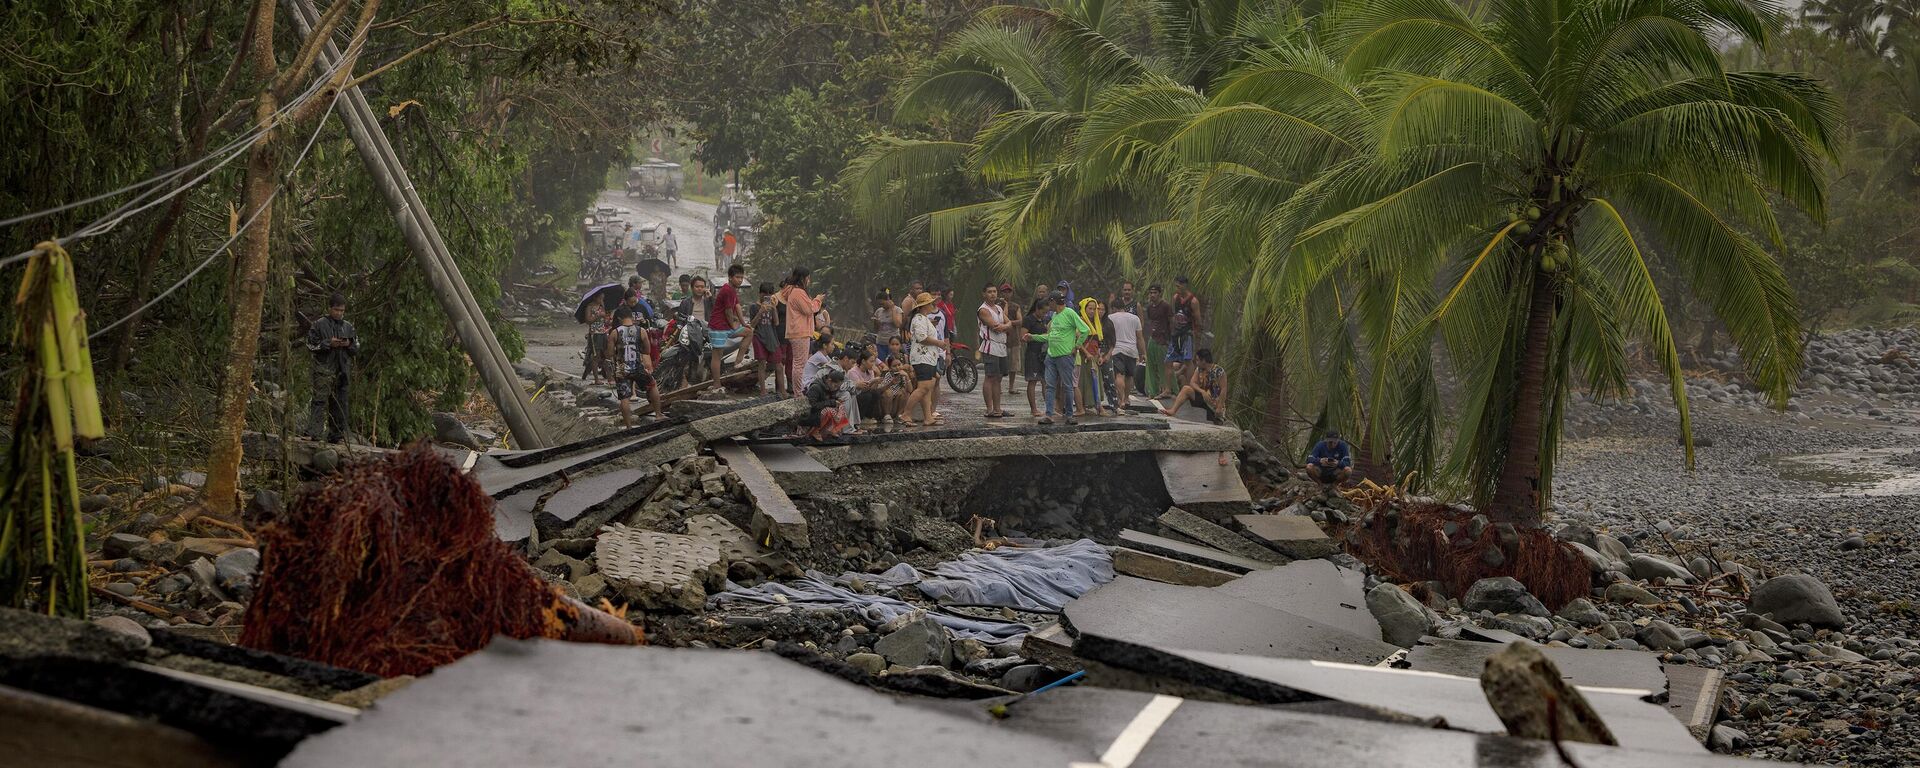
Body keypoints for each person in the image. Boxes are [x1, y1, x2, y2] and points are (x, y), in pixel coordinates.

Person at [305, 293, 359, 443]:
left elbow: (356, 349)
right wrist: (328, 343)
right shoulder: (319, 324)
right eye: (336, 310)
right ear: (330, 308)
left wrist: (348, 344)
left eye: (342, 310)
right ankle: (314, 433)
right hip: (324, 369)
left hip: (342, 371)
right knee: (319, 401)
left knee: (340, 404)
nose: (339, 313)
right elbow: (310, 345)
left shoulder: (348, 327)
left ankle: (336, 435)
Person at [1039, 291, 1089, 425]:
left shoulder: (1070, 313)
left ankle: (1069, 415)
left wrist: (1077, 346)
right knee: (1050, 385)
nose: (1049, 305)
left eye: (1050, 302)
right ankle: (1049, 415)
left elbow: (1085, 330)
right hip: (1051, 355)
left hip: (1065, 356)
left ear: (1053, 302)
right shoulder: (1054, 315)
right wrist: (1033, 337)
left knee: (1067, 386)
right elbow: (1050, 335)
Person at [608, 306, 664, 426]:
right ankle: (658, 414)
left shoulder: (615, 332)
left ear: (619, 318)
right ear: (631, 316)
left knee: (624, 398)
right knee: (652, 385)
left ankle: (629, 426)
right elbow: (647, 350)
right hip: (637, 367)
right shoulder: (641, 331)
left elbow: (610, 353)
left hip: (622, 369)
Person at [903, 291, 949, 426]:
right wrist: (939, 343)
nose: (932, 305)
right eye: (930, 303)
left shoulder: (924, 319)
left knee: (928, 387)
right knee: (923, 388)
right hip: (922, 357)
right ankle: (906, 413)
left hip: (929, 358)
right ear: (924, 306)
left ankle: (928, 417)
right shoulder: (918, 318)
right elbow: (922, 338)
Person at [779, 268, 823, 399]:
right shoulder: (798, 292)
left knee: (798, 363)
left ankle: (798, 391)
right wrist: (818, 300)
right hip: (799, 331)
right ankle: (798, 393)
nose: (809, 281)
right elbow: (809, 309)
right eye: (808, 278)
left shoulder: (793, 291)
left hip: (797, 331)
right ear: (803, 278)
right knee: (799, 364)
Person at [1161, 347, 1227, 424]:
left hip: (1214, 402)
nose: (1196, 362)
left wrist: (1219, 407)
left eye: (1198, 360)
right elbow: (1192, 383)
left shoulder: (1219, 371)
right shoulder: (1199, 369)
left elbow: (1224, 389)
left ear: (1203, 361)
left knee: (1217, 420)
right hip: (1204, 398)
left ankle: (1218, 417)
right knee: (1186, 389)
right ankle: (1173, 410)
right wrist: (1202, 391)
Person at [977, 284, 1013, 418]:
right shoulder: (983, 310)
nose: (993, 294)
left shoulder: (998, 308)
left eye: (994, 291)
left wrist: (1005, 325)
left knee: (998, 378)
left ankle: (998, 409)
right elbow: (995, 326)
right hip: (990, 345)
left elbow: (1009, 323)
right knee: (990, 376)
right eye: (989, 292)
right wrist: (1006, 325)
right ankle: (989, 409)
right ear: (984, 294)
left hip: (1001, 346)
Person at [710, 264, 747, 385]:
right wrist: (734, 325)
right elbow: (728, 311)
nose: (740, 280)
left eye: (742, 277)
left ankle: (737, 363)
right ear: (730, 277)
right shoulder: (727, 290)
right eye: (737, 277)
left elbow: (737, 306)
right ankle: (717, 384)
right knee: (717, 355)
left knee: (749, 332)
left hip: (726, 326)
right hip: (718, 327)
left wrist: (744, 323)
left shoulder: (733, 290)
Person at [748, 283, 786, 396]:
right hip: (759, 336)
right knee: (762, 364)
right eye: (765, 294)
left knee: (779, 365)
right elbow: (752, 325)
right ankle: (763, 392)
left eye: (770, 294)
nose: (767, 297)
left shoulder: (772, 306)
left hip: (772, 337)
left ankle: (783, 391)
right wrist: (760, 312)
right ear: (760, 294)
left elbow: (776, 322)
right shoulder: (754, 307)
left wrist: (774, 308)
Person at [1107, 299, 1143, 412]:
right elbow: (1140, 337)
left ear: (1113, 308)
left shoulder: (1111, 318)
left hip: (1117, 350)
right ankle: (1127, 399)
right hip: (1132, 350)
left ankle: (1120, 400)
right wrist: (1143, 353)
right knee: (1129, 376)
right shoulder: (1135, 318)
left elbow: (1107, 335)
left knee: (1119, 375)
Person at [1166, 276, 1201, 388]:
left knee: (1187, 360)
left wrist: (1195, 332)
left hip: (1187, 333)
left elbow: (1198, 320)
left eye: (1179, 286)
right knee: (1168, 359)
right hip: (1176, 333)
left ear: (1185, 285)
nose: (1178, 288)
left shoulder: (1193, 301)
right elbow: (1173, 314)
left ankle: (1190, 386)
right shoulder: (1175, 297)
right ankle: (1168, 388)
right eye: (1176, 286)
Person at [1021, 292, 1051, 418]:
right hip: (1032, 354)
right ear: (1037, 309)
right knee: (1033, 381)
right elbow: (1022, 337)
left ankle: (1049, 408)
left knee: (1045, 381)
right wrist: (1035, 337)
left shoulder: (1045, 320)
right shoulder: (1029, 320)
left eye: (1046, 313)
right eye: (1043, 312)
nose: (1045, 314)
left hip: (1043, 354)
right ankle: (1033, 409)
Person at [802, 369, 849, 440]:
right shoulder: (816, 387)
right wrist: (831, 402)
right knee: (828, 411)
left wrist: (836, 402)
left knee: (840, 408)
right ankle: (814, 431)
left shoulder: (830, 387)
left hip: (819, 413)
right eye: (835, 386)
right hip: (810, 415)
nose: (836, 388)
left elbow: (829, 400)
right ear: (829, 381)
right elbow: (812, 406)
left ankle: (830, 429)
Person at [881, 336, 913, 428]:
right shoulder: (888, 359)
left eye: (897, 344)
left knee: (905, 392)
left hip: (904, 380)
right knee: (894, 393)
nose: (894, 347)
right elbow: (888, 373)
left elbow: (910, 369)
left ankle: (900, 415)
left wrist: (906, 372)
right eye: (892, 344)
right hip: (893, 383)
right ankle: (889, 415)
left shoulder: (905, 357)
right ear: (889, 346)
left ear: (900, 346)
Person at [999, 283, 1021, 395]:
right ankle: (999, 387)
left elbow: (1020, 320)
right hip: (1001, 340)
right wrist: (1005, 305)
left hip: (1014, 339)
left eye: (1009, 291)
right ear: (1001, 293)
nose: (1007, 294)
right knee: (1002, 364)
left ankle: (1011, 387)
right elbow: (1001, 319)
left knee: (1014, 365)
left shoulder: (1016, 306)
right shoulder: (997, 306)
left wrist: (1008, 323)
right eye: (1005, 292)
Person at [583, 300, 611, 385]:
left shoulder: (602, 306)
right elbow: (588, 320)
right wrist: (597, 315)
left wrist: (607, 319)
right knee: (596, 356)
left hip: (603, 333)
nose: (602, 299)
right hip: (595, 333)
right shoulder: (590, 307)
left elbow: (605, 321)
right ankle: (596, 379)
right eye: (601, 297)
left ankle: (610, 377)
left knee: (607, 354)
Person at [871, 291, 902, 359]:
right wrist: (877, 323)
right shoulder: (878, 311)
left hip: (893, 344)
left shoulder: (897, 310)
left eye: (883, 303)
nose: (882, 306)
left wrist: (892, 309)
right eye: (880, 304)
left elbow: (898, 324)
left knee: (892, 361)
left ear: (888, 300)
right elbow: (876, 329)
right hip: (881, 342)